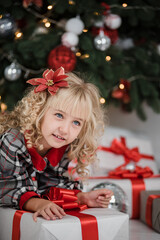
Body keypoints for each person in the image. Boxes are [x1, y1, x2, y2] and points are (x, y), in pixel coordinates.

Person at [0, 67, 112, 222]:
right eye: (59, 115)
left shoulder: (61, 145)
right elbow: (10, 188)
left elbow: (50, 182)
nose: (65, 130)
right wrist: (39, 204)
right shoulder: (13, 140)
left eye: (76, 122)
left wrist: (82, 198)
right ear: (40, 110)